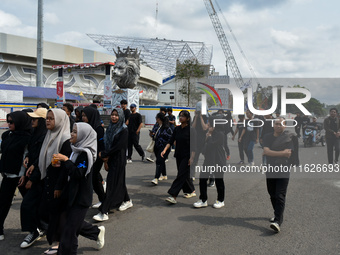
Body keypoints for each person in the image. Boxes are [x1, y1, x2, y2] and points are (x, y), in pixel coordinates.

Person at [52, 123, 105, 254]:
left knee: (70, 231)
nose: (72, 134)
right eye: (72, 131)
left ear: (83, 136)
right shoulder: (75, 150)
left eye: (75, 132)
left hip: (80, 198)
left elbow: (78, 173)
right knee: (71, 223)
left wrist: (66, 160)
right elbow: (70, 170)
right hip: (71, 194)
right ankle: (96, 232)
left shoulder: (85, 154)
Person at [38, 109, 72, 252]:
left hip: (59, 183)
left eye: (51, 118)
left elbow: (66, 167)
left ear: (59, 120)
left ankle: (59, 244)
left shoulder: (65, 139)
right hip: (49, 179)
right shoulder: (49, 134)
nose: (48, 121)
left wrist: (58, 186)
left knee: (59, 214)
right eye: (47, 118)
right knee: (54, 213)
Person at [93, 108, 132, 222]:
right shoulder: (110, 128)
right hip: (111, 158)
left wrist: (104, 154)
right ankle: (127, 200)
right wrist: (106, 159)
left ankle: (104, 211)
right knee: (118, 181)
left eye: (116, 115)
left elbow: (118, 147)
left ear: (120, 116)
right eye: (112, 115)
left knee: (111, 183)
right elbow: (107, 143)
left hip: (118, 160)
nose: (114, 117)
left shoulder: (124, 130)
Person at [0, 111, 32, 241]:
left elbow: (27, 157)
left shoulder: (28, 138)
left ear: (19, 122)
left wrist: (23, 175)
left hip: (22, 177)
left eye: (11, 122)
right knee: (3, 203)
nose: (9, 124)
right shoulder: (7, 135)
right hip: (8, 175)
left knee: (29, 204)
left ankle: (34, 229)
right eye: (8, 121)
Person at [19, 108, 48, 249]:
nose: (32, 121)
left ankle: (35, 231)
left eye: (35, 119)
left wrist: (32, 179)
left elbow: (42, 160)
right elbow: (32, 152)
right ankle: (40, 228)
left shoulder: (45, 136)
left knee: (28, 205)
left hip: (40, 177)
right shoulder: (35, 133)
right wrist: (28, 157)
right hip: (32, 173)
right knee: (35, 206)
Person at [263, 117, 297, 233]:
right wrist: (281, 153)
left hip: (283, 168)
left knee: (280, 194)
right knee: (272, 193)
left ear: (285, 126)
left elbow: (288, 154)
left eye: (281, 124)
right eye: (277, 124)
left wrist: (272, 153)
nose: (278, 126)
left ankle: (277, 221)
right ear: (273, 125)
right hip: (270, 169)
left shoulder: (289, 137)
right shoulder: (267, 137)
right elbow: (266, 152)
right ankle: (277, 213)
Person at [162, 110, 196, 204]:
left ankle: (173, 195)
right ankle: (191, 190)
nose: (181, 118)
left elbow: (194, 146)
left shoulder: (191, 130)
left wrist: (192, 158)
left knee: (181, 175)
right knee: (184, 174)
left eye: (183, 116)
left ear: (188, 118)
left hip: (187, 156)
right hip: (179, 155)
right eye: (180, 116)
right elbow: (171, 140)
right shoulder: (177, 129)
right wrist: (164, 150)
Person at [193, 116, 226, 209]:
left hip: (218, 161)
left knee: (219, 181)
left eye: (209, 122)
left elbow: (212, 145)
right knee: (202, 179)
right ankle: (203, 200)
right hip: (208, 160)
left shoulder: (220, 134)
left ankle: (221, 200)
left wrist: (209, 135)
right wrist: (208, 136)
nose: (208, 124)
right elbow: (204, 147)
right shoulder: (209, 133)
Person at [82, 106, 106, 209]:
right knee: (93, 178)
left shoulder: (98, 128)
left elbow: (101, 144)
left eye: (85, 116)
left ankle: (103, 199)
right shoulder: (87, 126)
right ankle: (102, 198)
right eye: (82, 115)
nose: (83, 118)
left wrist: (102, 156)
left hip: (97, 156)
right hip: (88, 156)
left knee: (94, 177)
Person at [151, 113, 172, 185]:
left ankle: (156, 178)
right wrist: (152, 134)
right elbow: (153, 134)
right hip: (157, 146)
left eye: (156, 118)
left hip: (164, 147)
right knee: (161, 161)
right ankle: (164, 175)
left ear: (159, 118)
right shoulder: (156, 126)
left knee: (159, 161)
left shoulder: (167, 128)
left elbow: (170, 139)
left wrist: (166, 148)